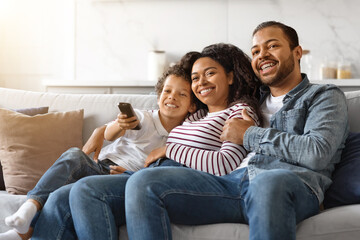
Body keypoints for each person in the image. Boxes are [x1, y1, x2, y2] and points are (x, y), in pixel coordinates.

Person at [124, 21, 349, 240]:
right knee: (143, 183)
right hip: (231, 184)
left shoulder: (324, 96)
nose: (262, 55)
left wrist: (250, 134)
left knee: (267, 182)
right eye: (256, 51)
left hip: (288, 183)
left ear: (297, 52)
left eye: (272, 46)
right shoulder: (250, 100)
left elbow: (317, 152)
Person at [29, 43, 262, 240]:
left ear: (230, 77)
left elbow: (226, 164)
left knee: (86, 189)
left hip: (184, 182)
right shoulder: (196, 115)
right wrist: (104, 132)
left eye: (209, 73)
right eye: (195, 78)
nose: (201, 82)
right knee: (62, 196)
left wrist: (169, 150)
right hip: (151, 175)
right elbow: (155, 114)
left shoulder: (239, 111)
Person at [0, 63, 197, 240]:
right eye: (167, 91)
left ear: (192, 105)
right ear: (158, 95)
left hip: (120, 179)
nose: (172, 97)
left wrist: (131, 175)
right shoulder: (144, 118)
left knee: (61, 197)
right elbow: (110, 134)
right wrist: (121, 124)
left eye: (182, 94)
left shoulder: (186, 135)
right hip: (98, 166)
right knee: (74, 155)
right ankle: (30, 206)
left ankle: (24, 232)